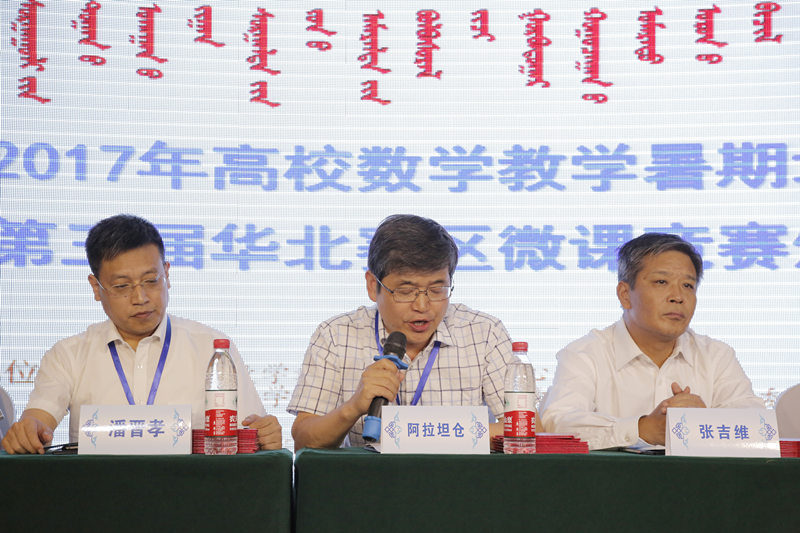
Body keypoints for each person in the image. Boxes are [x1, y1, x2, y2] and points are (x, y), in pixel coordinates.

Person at [1, 214, 281, 454]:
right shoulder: (68, 355)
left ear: (167, 274)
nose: (141, 297)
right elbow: (38, 420)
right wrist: (30, 430)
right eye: (122, 286)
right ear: (96, 288)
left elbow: (252, 432)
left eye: (151, 280)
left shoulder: (213, 349)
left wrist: (265, 434)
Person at [288, 214, 518, 449]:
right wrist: (353, 407)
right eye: (406, 291)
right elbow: (304, 442)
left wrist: (415, 434)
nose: (422, 306)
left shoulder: (485, 333)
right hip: (369, 473)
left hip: (460, 473)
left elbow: (526, 430)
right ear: (372, 286)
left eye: (437, 290)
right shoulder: (335, 336)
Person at [540, 232, 764, 450]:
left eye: (688, 285)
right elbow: (558, 423)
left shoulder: (716, 356)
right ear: (625, 295)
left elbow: (759, 426)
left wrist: (704, 422)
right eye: (661, 282)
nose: (678, 297)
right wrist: (644, 429)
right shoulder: (585, 354)